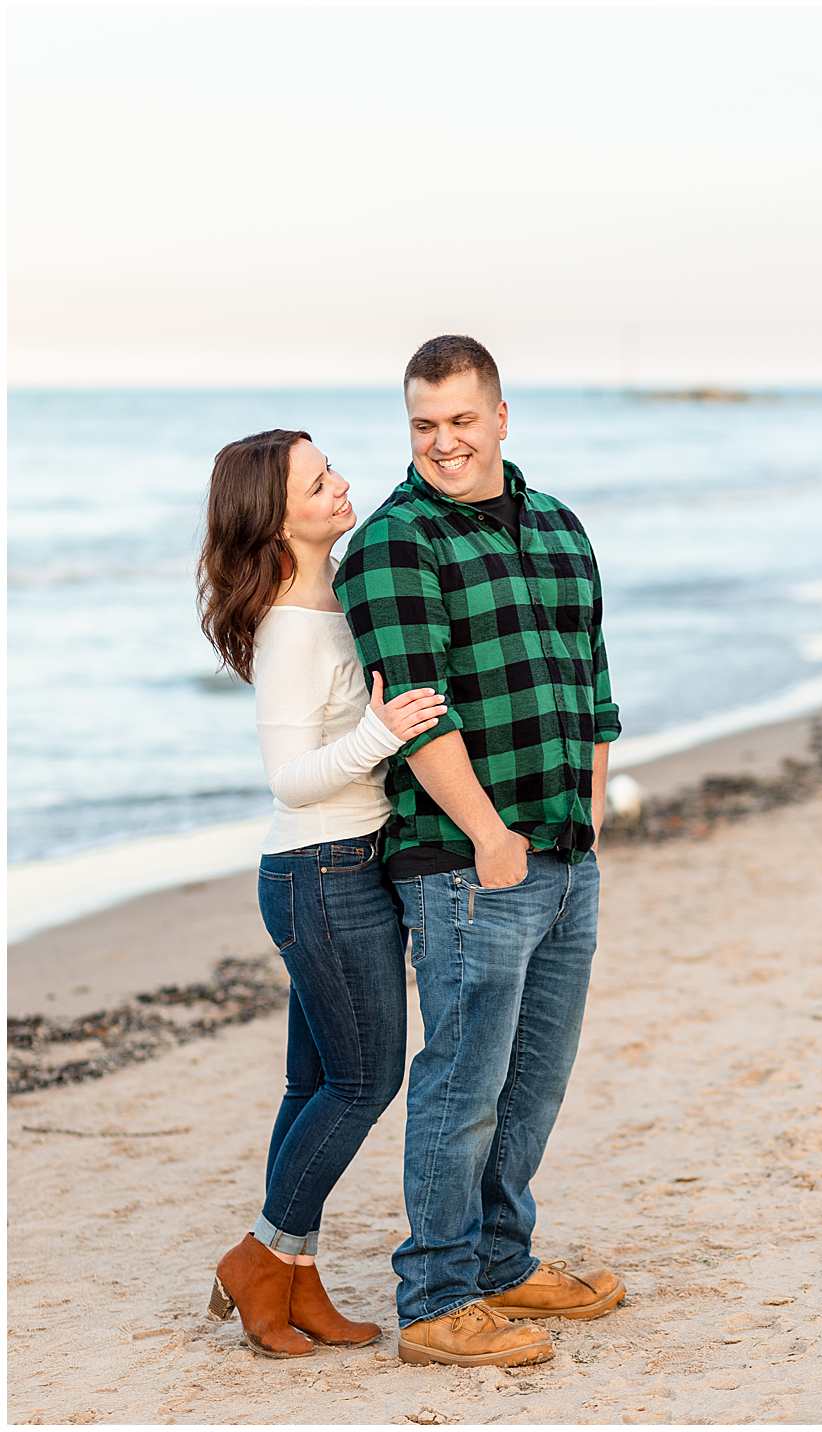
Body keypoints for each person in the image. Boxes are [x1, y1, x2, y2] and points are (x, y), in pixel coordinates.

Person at [334, 335, 626, 1369]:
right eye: (424, 425)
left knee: (535, 1078)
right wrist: (489, 835)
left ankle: (502, 1261)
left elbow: (591, 683)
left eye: (461, 420)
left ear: (500, 415)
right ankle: (436, 1299)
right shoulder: (392, 545)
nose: (444, 442)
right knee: (463, 1082)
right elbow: (418, 713)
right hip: (466, 864)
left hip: (564, 852)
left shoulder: (557, 525)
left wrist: (587, 820)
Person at [196, 429, 447, 1357]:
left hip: (343, 866)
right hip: (322, 870)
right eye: (318, 480)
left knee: (314, 1083)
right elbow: (291, 778)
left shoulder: (331, 599)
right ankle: (260, 1258)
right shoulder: (292, 630)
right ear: (276, 515)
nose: (341, 484)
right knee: (364, 1079)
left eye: (333, 467)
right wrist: (381, 731)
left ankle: (295, 1282)